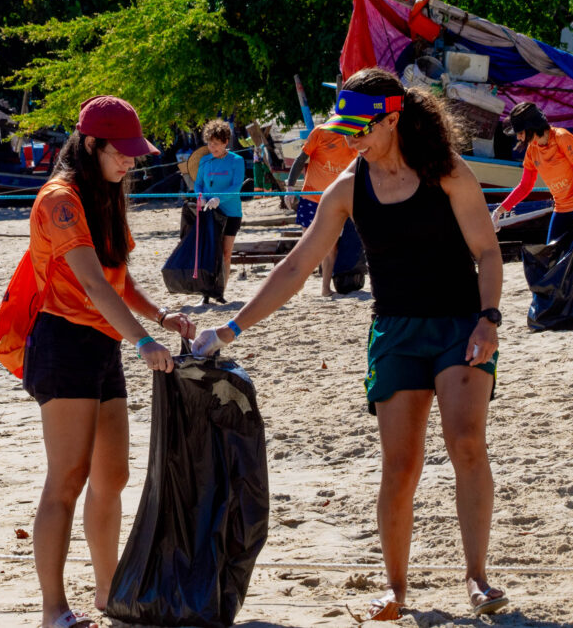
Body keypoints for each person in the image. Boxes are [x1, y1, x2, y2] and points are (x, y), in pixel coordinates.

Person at [192, 67, 509, 618]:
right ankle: (396, 589)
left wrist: (489, 318)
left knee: (466, 444)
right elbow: (296, 267)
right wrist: (231, 327)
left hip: (460, 324)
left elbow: (487, 252)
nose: (349, 135)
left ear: (393, 118)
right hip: (395, 332)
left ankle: (477, 578)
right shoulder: (347, 188)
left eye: (361, 125)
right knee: (400, 465)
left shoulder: (448, 172)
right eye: (346, 125)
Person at [25, 95, 196, 628]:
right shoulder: (61, 197)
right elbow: (92, 283)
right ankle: (54, 609)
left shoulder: (107, 192)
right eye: (121, 152)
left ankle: (108, 594)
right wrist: (144, 341)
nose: (131, 161)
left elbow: (119, 276)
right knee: (67, 479)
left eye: (134, 152)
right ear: (92, 144)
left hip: (102, 344)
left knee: (112, 476)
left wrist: (160, 315)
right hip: (63, 343)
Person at [491, 102, 573, 324]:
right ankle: (559, 314)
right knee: (550, 260)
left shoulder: (563, 138)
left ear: (530, 128)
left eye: (519, 132)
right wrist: (500, 210)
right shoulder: (532, 150)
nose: (518, 138)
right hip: (563, 205)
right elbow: (525, 186)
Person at [285, 123, 358, 295]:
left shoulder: (357, 136)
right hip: (312, 198)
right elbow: (301, 158)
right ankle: (296, 283)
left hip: (334, 200)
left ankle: (325, 287)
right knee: (307, 244)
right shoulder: (321, 131)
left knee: (330, 246)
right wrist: (289, 187)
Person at [194, 119, 245, 302]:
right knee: (207, 252)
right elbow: (198, 183)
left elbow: (236, 186)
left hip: (231, 213)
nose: (212, 147)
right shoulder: (205, 161)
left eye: (216, 144)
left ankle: (220, 291)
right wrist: (200, 197)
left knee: (225, 253)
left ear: (225, 142)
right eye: (209, 143)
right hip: (209, 212)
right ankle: (205, 294)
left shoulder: (237, 161)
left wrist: (219, 198)